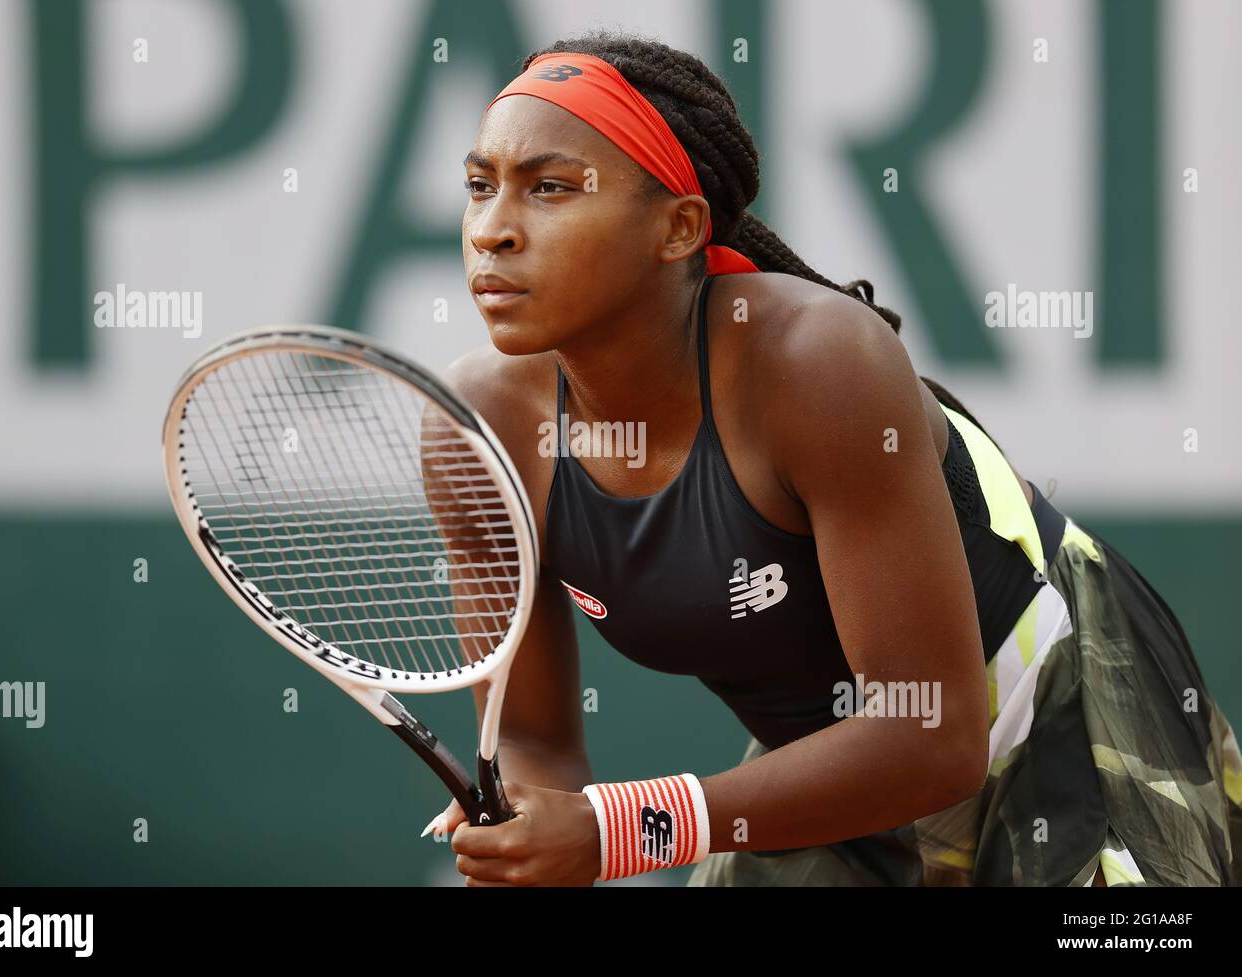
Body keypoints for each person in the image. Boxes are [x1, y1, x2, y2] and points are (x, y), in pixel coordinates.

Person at [431, 30, 1242, 886]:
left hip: (1048, 721)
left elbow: (931, 737)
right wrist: (524, 832)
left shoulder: (818, 365)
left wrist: (619, 829)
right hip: (828, 766)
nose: (492, 231)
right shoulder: (477, 430)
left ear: (677, 229)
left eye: (549, 188)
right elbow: (533, 744)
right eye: (480, 187)